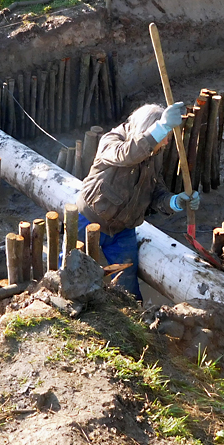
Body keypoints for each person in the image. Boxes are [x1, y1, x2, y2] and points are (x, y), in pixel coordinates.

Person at [76, 102, 201, 300]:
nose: (167, 142)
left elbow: (155, 191)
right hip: (89, 219)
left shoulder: (154, 155)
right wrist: (161, 128)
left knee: (128, 289)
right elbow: (126, 155)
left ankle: (133, 324)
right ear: (148, 128)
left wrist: (175, 202)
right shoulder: (112, 140)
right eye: (166, 135)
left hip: (123, 229)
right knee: (71, 272)